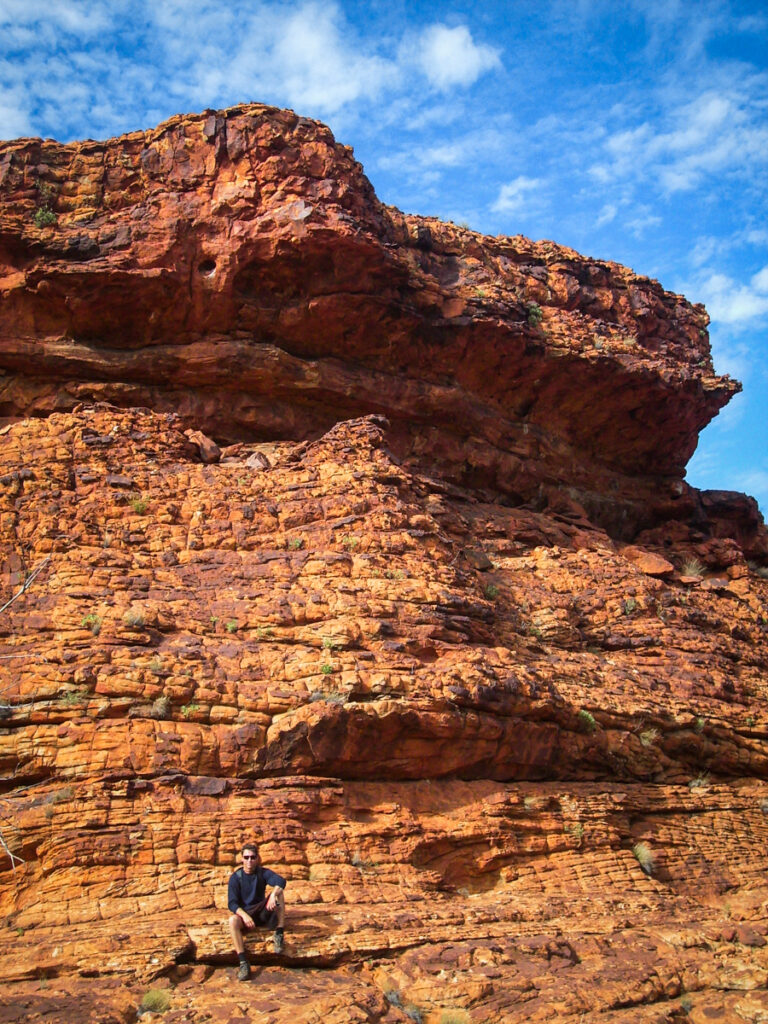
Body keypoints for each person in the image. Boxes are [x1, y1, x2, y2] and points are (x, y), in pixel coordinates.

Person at [226, 842, 287, 980]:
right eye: (246, 857)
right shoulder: (236, 878)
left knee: (279, 892)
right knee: (232, 921)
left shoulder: (262, 872)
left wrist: (273, 894)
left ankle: (279, 932)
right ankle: (243, 962)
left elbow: (281, 881)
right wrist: (244, 916)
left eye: (252, 857)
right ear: (241, 858)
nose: (249, 861)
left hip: (262, 912)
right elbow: (232, 903)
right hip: (246, 914)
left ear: (257, 858)